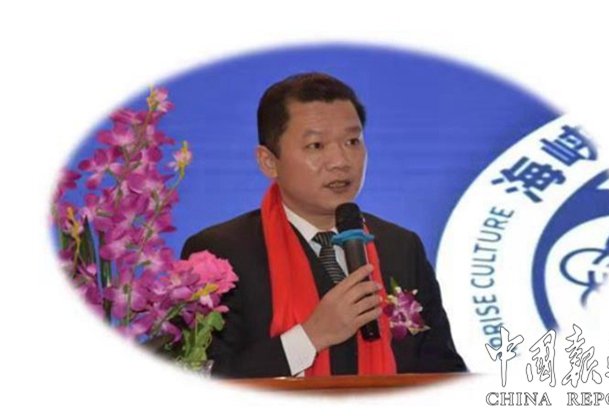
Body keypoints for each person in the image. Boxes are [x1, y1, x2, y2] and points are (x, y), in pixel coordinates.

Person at [181, 72, 467, 378]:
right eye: (316, 145)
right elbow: (200, 376)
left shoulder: (400, 247)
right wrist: (310, 337)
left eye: (352, 141)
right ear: (269, 161)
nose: (340, 161)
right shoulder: (220, 255)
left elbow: (444, 372)